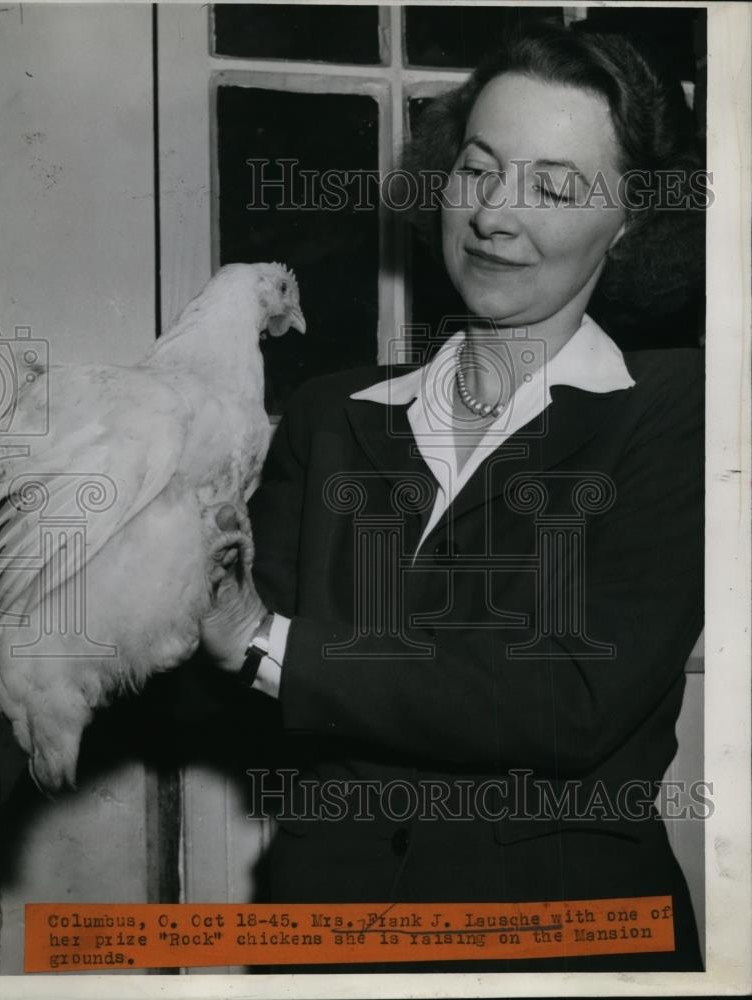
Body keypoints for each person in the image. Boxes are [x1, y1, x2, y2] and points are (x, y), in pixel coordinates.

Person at [200, 22, 705, 972]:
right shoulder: (330, 413)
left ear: (631, 219)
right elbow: (223, 692)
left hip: (563, 952)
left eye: (553, 187)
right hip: (328, 942)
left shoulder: (678, 410)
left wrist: (265, 643)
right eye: (477, 169)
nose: (492, 217)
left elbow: (571, 696)